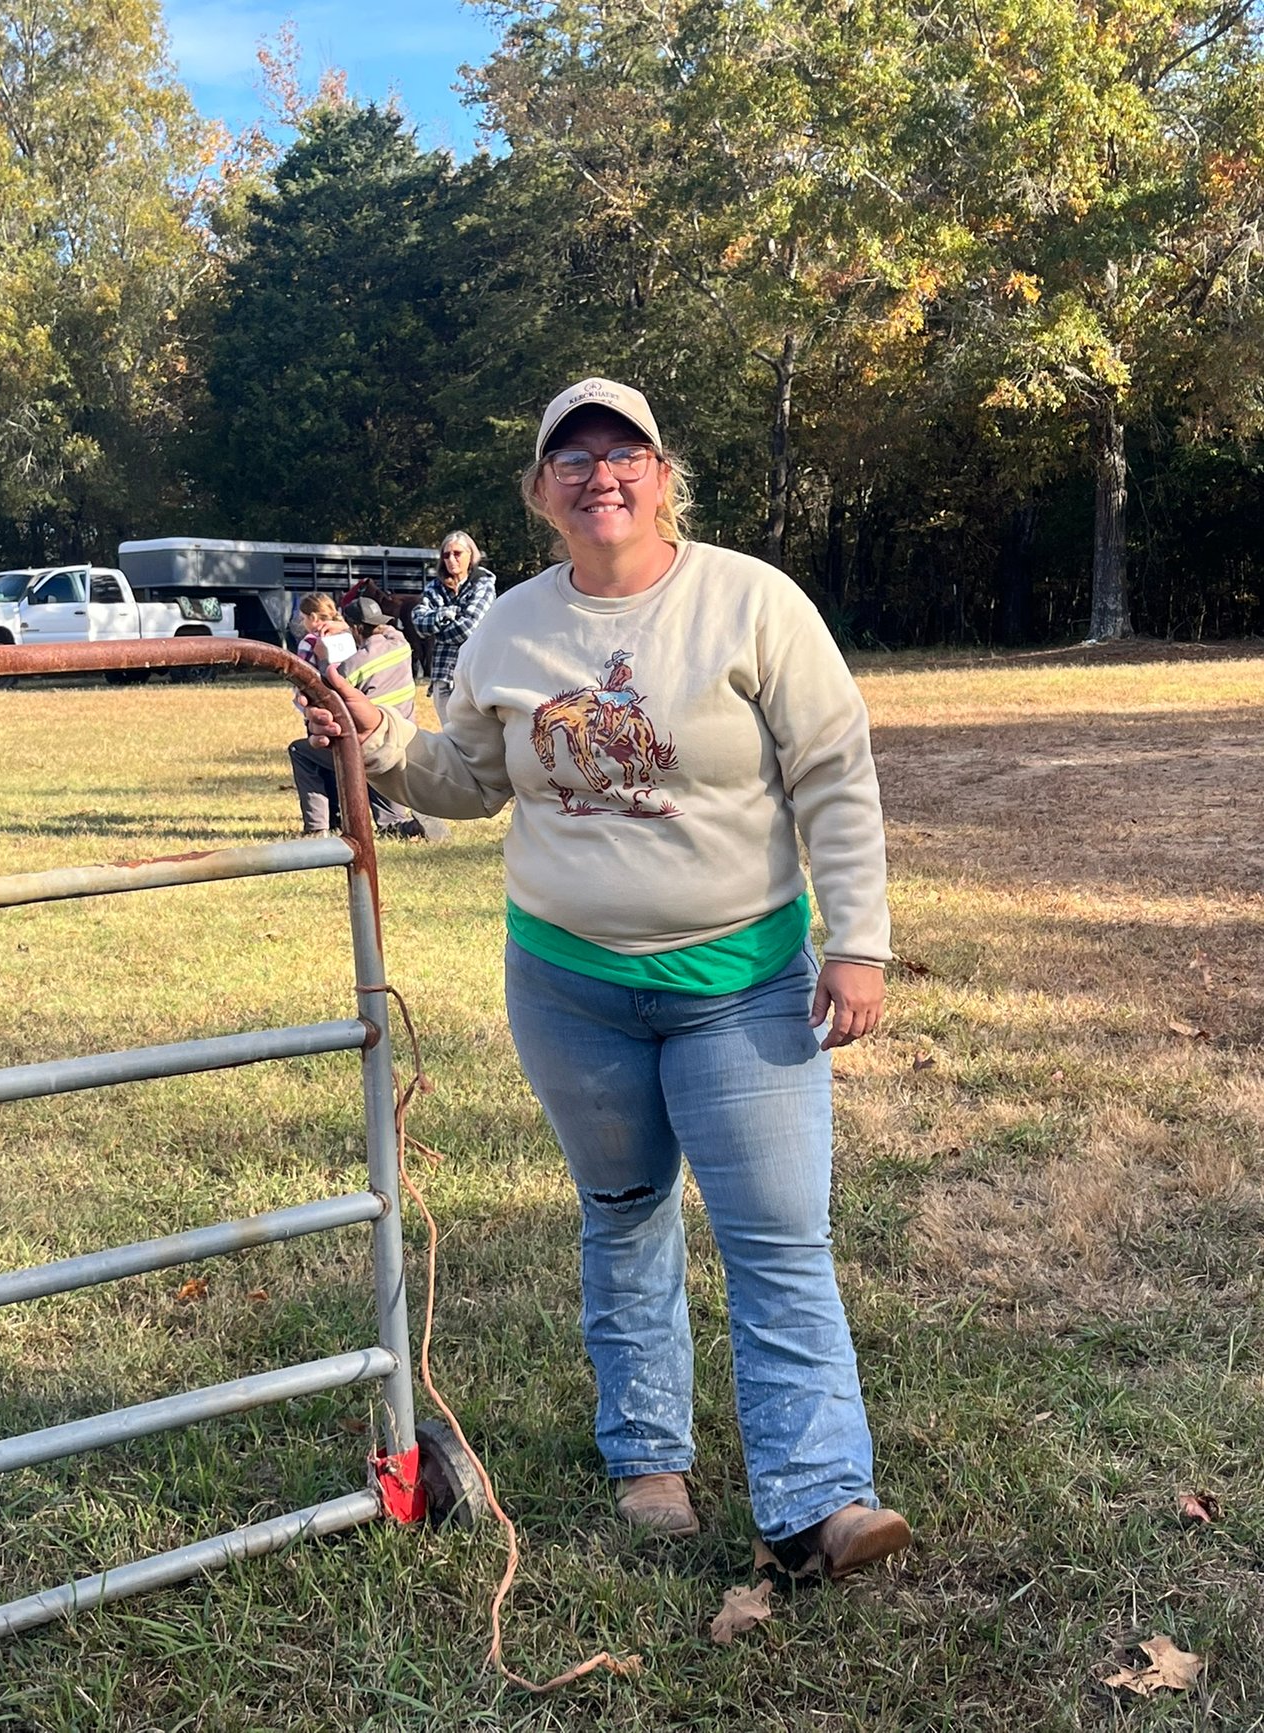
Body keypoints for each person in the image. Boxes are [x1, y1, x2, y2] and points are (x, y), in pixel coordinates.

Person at [304, 377, 911, 1578]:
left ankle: (820, 1498)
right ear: (540, 492)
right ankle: (648, 1460)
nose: (600, 475)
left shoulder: (751, 601)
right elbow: (468, 779)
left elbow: (834, 774)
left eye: (622, 451)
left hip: (744, 977)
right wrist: (370, 744)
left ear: (662, 472)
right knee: (625, 1214)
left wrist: (857, 940)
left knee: (778, 1234)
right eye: (570, 459)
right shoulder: (510, 628)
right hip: (571, 985)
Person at [288, 595, 440, 841]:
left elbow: (327, 697)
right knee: (391, 822)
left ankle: (318, 827)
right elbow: (389, 629)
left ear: (356, 629)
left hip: (369, 750)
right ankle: (408, 827)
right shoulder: (399, 644)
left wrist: (325, 656)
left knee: (302, 751)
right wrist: (346, 626)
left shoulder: (354, 664)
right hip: (403, 744)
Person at [410, 532, 496, 724]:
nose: (451, 559)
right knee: (449, 740)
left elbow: (468, 629)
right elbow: (418, 623)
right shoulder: (434, 587)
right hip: (442, 675)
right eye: (446, 555)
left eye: (457, 553)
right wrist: (446, 614)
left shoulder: (484, 584)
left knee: (475, 742)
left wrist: (436, 631)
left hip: (473, 676)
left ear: (471, 556)